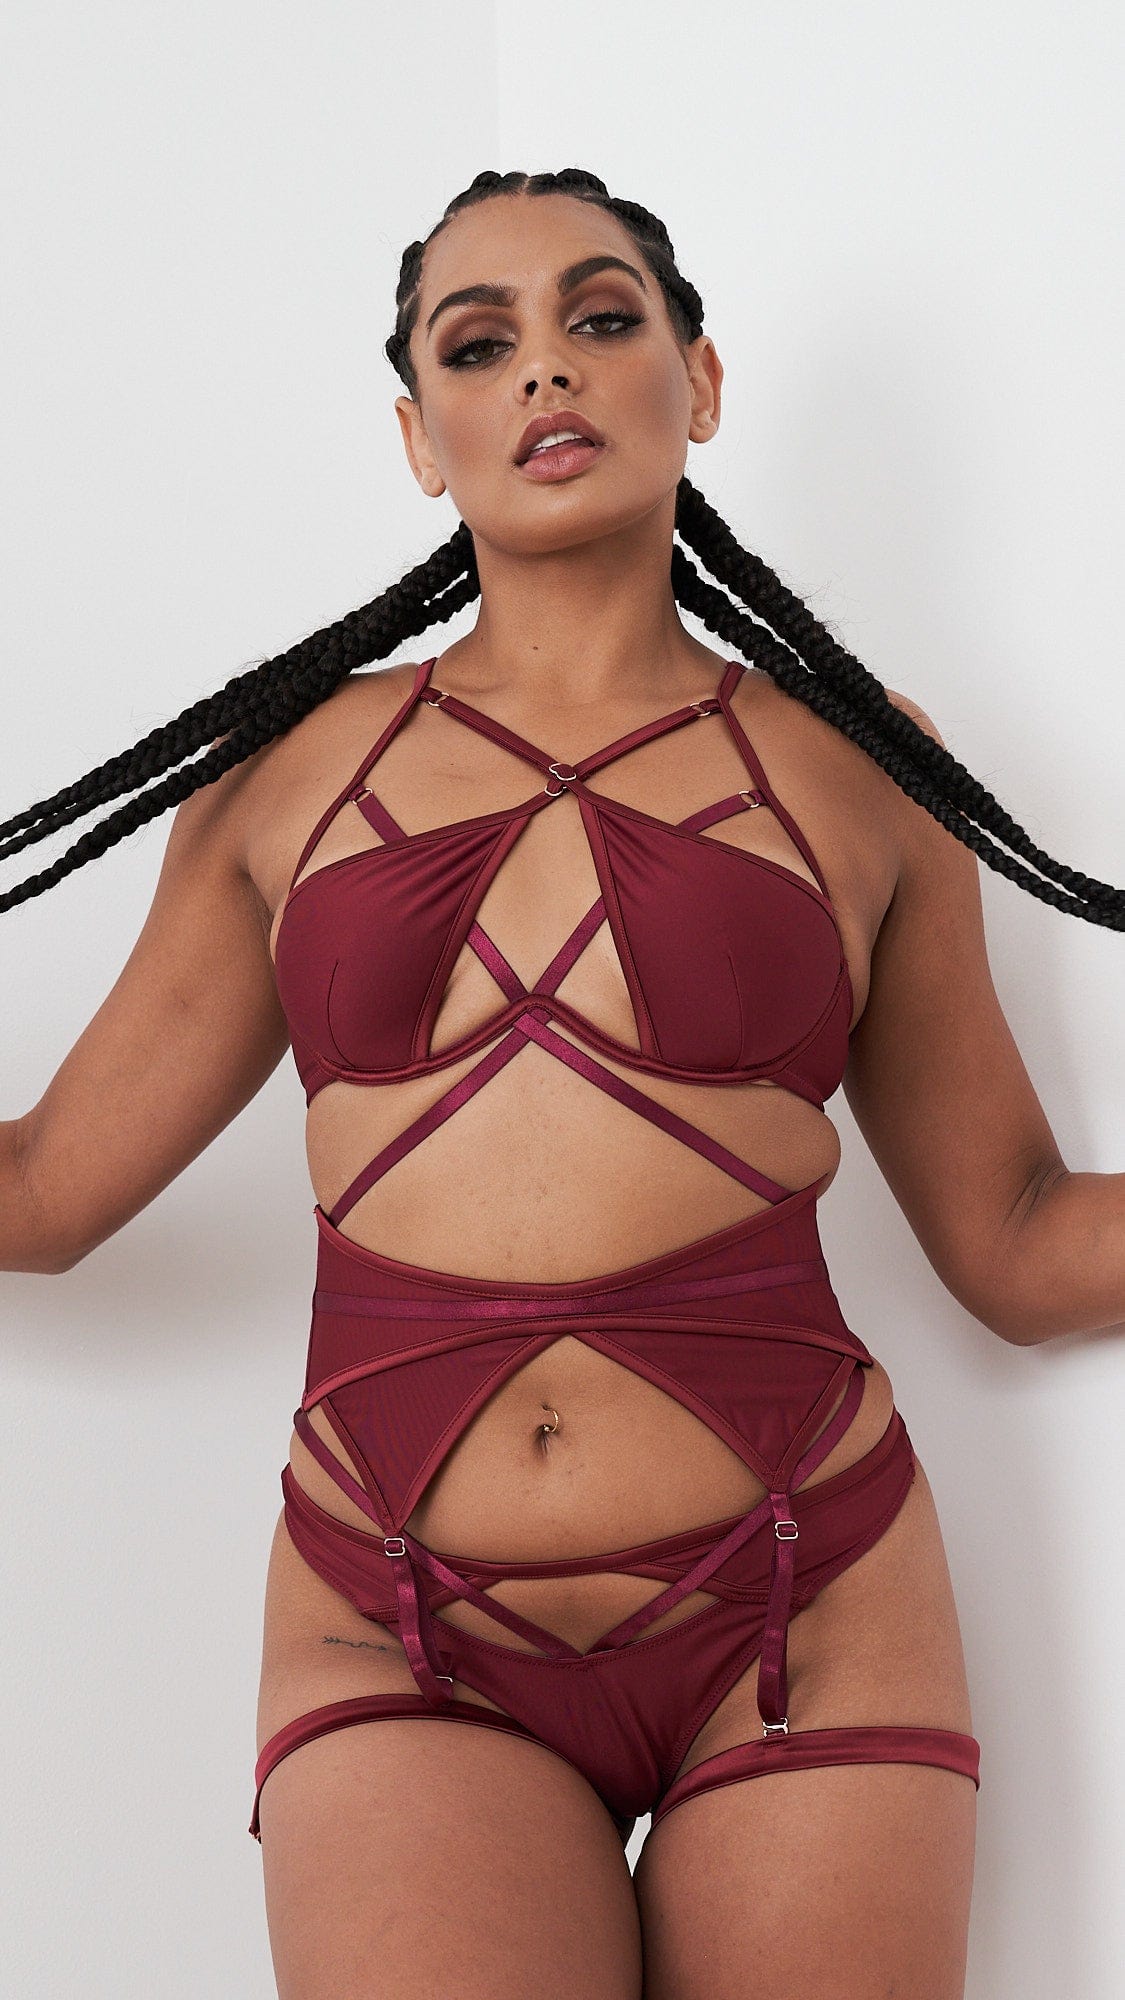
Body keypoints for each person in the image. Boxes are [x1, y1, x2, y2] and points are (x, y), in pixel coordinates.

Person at [2, 165, 1122, 2000]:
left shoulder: (863, 762)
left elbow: (1011, 1234)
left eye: (601, 319)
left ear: (698, 381)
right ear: (417, 438)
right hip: (396, 1626)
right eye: (477, 343)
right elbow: (43, 1191)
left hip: (809, 1596)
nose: (545, 369)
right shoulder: (282, 771)